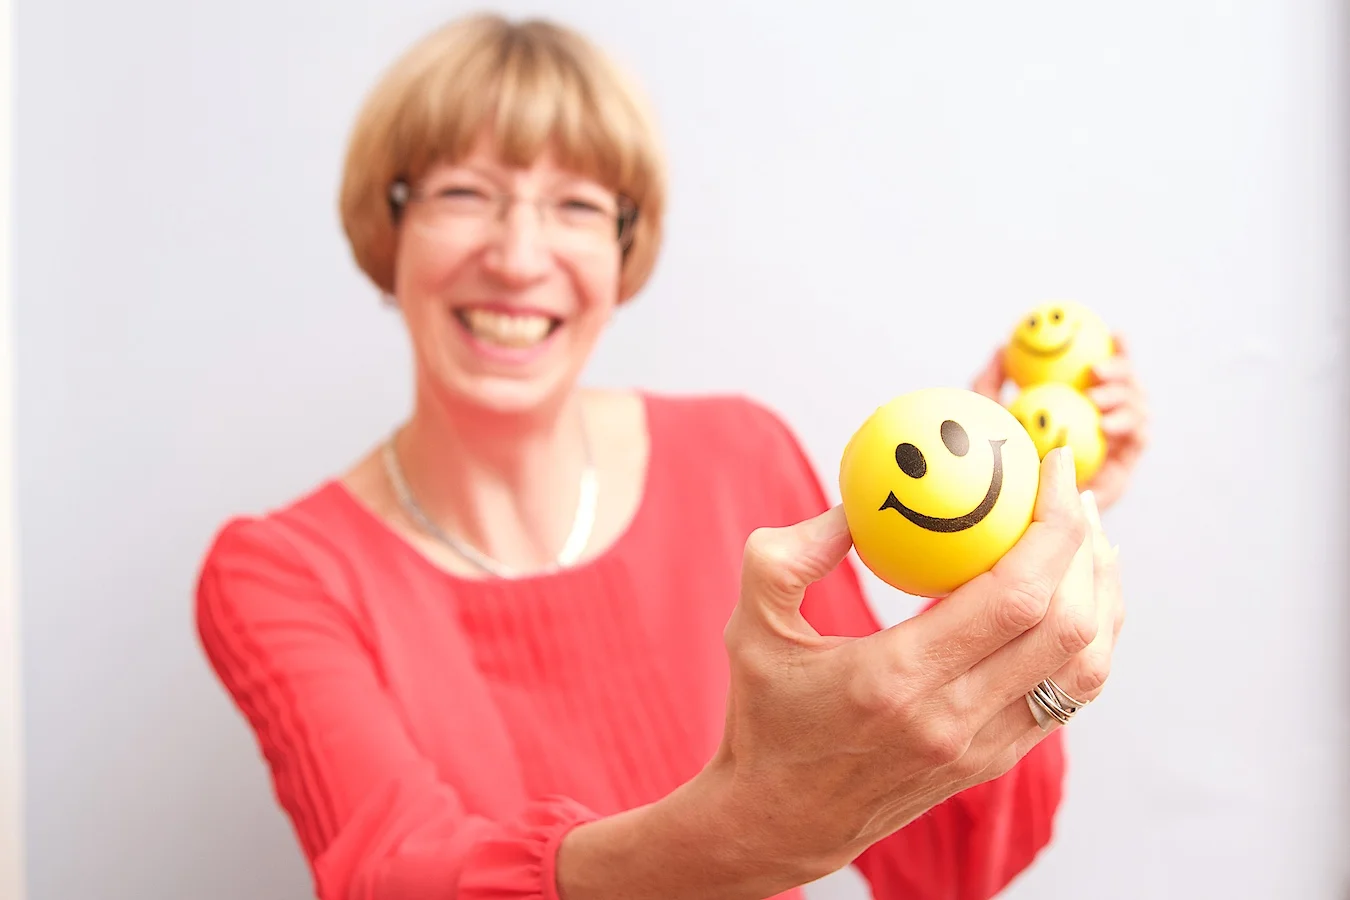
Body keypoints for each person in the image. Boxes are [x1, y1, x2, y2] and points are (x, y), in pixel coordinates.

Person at [194, 13, 1147, 900]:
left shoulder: (736, 459)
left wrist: (992, 551)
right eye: (463, 194)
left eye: (575, 205)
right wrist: (750, 831)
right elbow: (390, 874)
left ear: (624, 246)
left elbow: (942, 862)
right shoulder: (281, 573)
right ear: (387, 224)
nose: (520, 256)